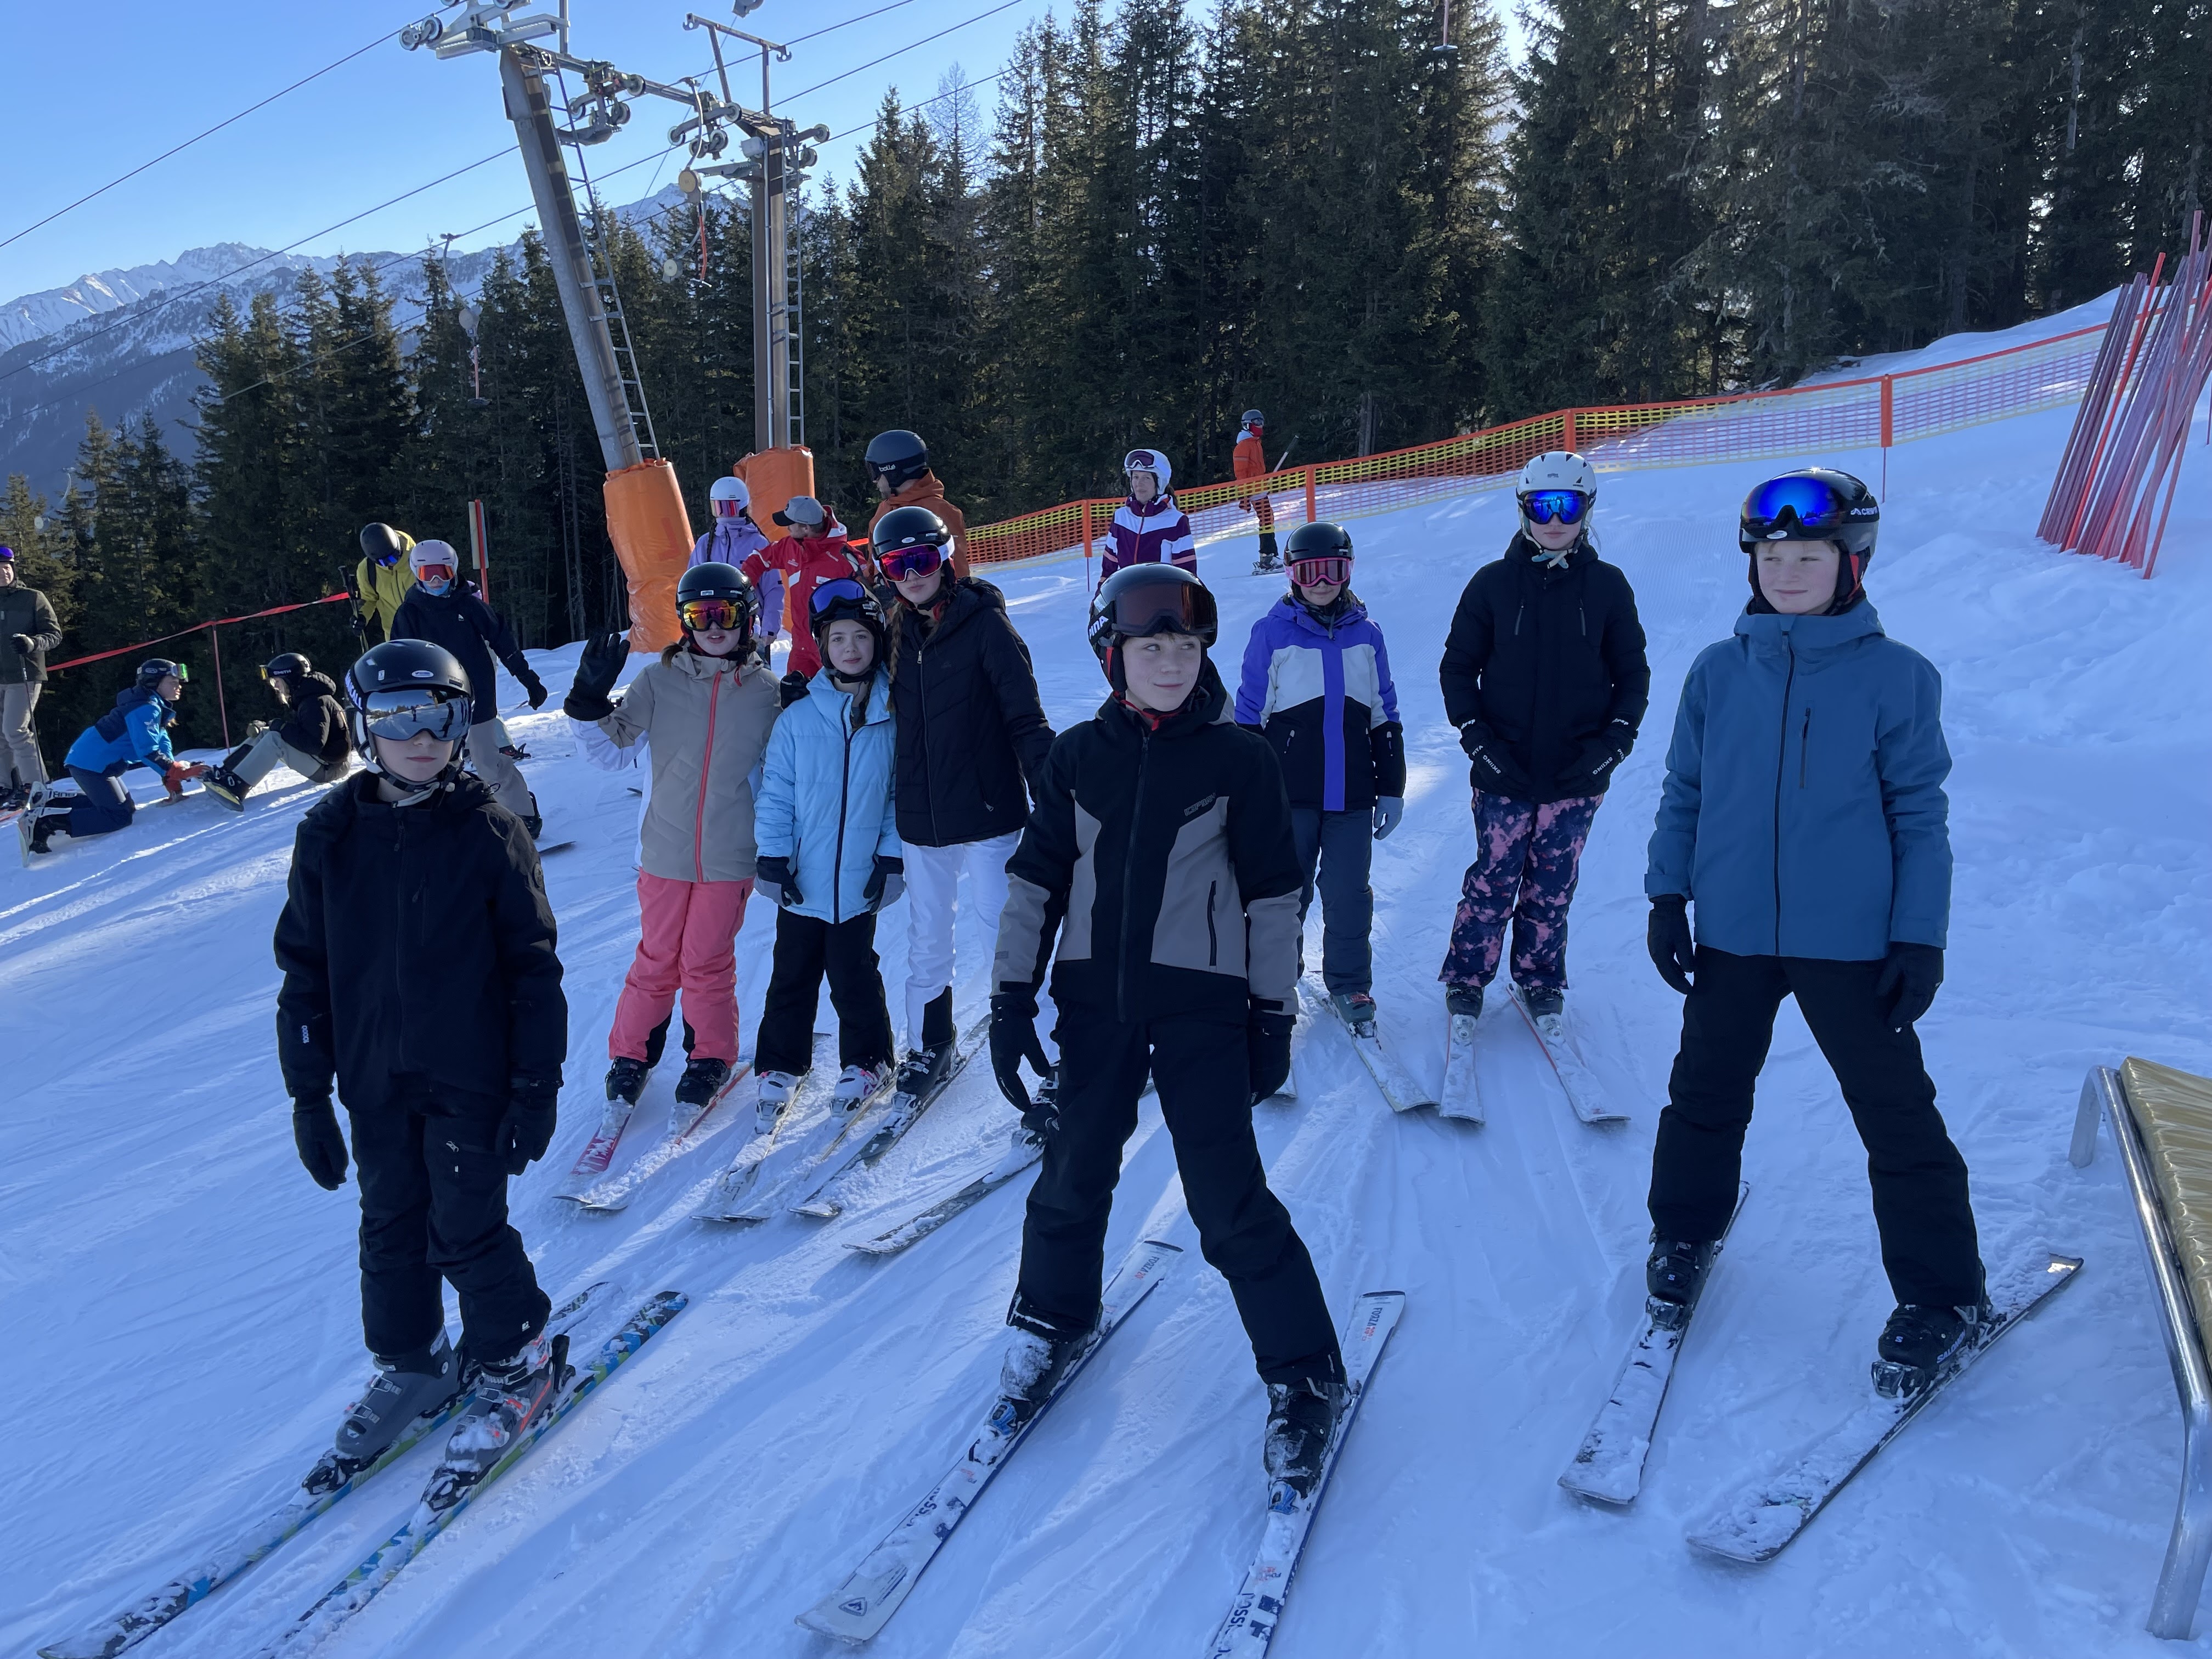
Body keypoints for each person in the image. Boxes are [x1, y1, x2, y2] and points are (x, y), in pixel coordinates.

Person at [989, 562, 1345, 1497]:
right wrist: (1010, 997)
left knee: (1226, 1197)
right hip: (1095, 1004)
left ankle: (1305, 1371)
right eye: (1151, 647)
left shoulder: (1240, 759)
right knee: (1072, 1170)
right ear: (1112, 654)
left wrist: (1272, 1012)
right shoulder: (1077, 756)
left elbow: (1274, 897)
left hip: (1202, 1009)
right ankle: (1051, 1316)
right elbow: (1035, 880)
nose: (1172, 663)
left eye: (1185, 646)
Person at [1643, 467, 1982, 1395]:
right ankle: (1682, 1233)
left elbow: (1919, 815)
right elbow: (1685, 791)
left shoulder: (1896, 677)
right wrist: (1667, 895)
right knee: (1704, 1092)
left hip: (1852, 941)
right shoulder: (1717, 672)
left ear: (1850, 563)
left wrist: (1919, 937)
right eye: (1772, 557)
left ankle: (1943, 1296)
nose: (1787, 573)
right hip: (1733, 931)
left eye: (1809, 557)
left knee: (1894, 1112)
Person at [272, 637, 569, 1489]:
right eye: (398, 718)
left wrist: (536, 1086)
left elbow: (533, 970)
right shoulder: (331, 834)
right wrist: (309, 1096)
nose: (421, 737)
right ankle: (415, 1360)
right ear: (366, 727)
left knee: (465, 1226)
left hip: (471, 1076)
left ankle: (515, 1359)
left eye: (438, 716)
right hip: (374, 1080)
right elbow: (305, 972)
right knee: (391, 1225)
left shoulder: (488, 829)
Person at [1436, 451, 1649, 1020]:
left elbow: (1632, 675)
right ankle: (1468, 976)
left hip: (1577, 771)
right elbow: (1458, 668)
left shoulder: (1607, 587)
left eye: (1568, 507)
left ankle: (1539, 976)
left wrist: (1612, 746)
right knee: (1493, 878)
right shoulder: (1493, 584)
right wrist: (1478, 739)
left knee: (1552, 885)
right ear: (1523, 510)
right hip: (1503, 767)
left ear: (1587, 511)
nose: (1555, 520)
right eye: (1542, 506)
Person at [565, 562, 781, 1113]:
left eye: (724, 614)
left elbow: (789, 776)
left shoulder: (766, 693)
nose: (714, 627)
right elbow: (611, 752)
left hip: (730, 856)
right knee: (657, 958)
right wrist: (588, 701)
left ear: (746, 618)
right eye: (700, 615)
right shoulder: (658, 681)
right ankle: (630, 1056)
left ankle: (710, 1057)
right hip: (663, 852)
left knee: (707, 960)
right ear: (685, 621)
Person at [874, 505, 1055, 1097]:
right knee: (927, 938)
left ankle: (1051, 1044)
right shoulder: (891, 633)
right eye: (897, 565)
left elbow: (1025, 718)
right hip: (921, 821)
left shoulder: (986, 626)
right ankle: (931, 1044)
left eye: (922, 559)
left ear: (945, 558)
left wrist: (1051, 793)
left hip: (988, 813)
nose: (912, 575)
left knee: (1006, 931)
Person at [1234, 521, 1405, 1026]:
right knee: (1286, 892)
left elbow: (1384, 713)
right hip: (1290, 794)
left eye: (1333, 569)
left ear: (1348, 571)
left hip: (1353, 793)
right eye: (1310, 572)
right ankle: (1274, 980)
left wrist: (1392, 787)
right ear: (1292, 575)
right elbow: (1249, 717)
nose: (1322, 582)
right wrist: (1249, 791)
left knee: (1349, 893)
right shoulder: (1272, 634)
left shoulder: (1368, 636)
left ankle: (1350, 985)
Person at [749, 578, 904, 1130]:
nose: (850, 648)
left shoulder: (891, 717)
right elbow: (775, 794)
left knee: (853, 973)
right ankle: (780, 1064)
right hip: (803, 877)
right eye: (838, 639)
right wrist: (772, 857)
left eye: (860, 637)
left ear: (876, 642)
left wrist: (891, 858)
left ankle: (868, 1060)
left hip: (858, 879)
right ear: (822, 647)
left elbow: (897, 797)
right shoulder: (797, 720)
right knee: (791, 972)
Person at [390, 538, 548, 836]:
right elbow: (401, 659)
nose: (436, 581)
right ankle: (447, 825)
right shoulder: (410, 613)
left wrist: (529, 680)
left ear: (454, 571)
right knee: (438, 766)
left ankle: (523, 812)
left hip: (477, 696)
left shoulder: (469, 605)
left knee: (488, 762)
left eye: (443, 573)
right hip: (435, 702)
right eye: (427, 575)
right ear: (416, 574)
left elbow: (503, 642)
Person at [29, 658, 208, 854]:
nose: (179, 686)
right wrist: (175, 771)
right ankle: (44, 824)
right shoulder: (146, 708)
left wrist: (169, 774)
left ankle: (51, 801)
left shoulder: (153, 706)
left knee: (125, 807)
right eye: (173, 682)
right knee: (118, 816)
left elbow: (161, 744)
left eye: (179, 682)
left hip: (96, 763)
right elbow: (147, 751)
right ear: (154, 683)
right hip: (91, 764)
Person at [741, 494, 871, 707]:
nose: (787, 529)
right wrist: (743, 586)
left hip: (833, 651)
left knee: (837, 707)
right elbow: (759, 559)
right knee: (794, 705)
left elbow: (870, 604)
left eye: (790, 524)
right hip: (800, 649)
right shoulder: (791, 546)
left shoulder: (846, 559)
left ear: (805, 528)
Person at [204, 652, 353, 809]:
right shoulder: (308, 697)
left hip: (331, 768)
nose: (275, 686)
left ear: (290, 679)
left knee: (275, 741)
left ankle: (236, 786)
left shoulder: (314, 702)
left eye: (277, 681)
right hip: (329, 762)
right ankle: (227, 772)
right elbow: (303, 731)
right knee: (267, 733)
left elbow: (313, 745)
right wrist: (271, 725)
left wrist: (280, 727)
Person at [0, 545, 63, 811]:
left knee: (15, 730)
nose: (4, 572)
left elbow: (55, 635)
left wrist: (32, 643)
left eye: (7, 567)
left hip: (24, 674)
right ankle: (6, 786)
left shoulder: (32, 598)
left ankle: (35, 785)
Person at [865, 428, 969, 580]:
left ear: (893, 471)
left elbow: (956, 574)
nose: (875, 481)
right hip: (891, 593)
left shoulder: (939, 512)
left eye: (875, 472)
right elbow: (873, 566)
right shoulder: (885, 509)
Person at [1103, 448, 1195, 579]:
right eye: (1135, 477)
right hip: (1127, 591)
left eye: (1146, 478)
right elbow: (1109, 568)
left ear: (1159, 483)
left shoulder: (1176, 521)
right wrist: (1101, 592)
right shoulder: (1120, 517)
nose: (1139, 484)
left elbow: (1187, 575)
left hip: (1162, 591)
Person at [354, 524, 418, 645]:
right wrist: (361, 616)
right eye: (384, 562)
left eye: (394, 558)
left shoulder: (418, 559)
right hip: (396, 637)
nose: (391, 563)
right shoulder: (368, 570)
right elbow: (368, 599)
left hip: (427, 633)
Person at [1233, 410, 1280, 572]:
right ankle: (1268, 559)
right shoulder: (1243, 446)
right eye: (1257, 422)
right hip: (1253, 491)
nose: (1260, 425)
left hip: (1260, 489)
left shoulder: (1255, 443)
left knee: (1268, 519)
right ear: (1247, 425)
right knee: (1267, 519)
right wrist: (1244, 496)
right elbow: (1241, 473)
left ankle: (1270, 557)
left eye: (1262, 422)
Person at [691, 475, 769, 571]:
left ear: (741, 506)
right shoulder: (705, 543)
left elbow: (771, 579)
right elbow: (692, 577)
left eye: (727, 508)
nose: (722, 514)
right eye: (717, 508)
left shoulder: (758, 543)